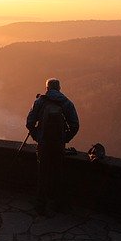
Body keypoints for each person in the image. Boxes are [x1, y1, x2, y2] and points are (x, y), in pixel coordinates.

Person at [26, 78, 79, 214]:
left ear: (47, 89)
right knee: (58, 173)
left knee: (42, 173)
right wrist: (64, 139)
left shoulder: (39, 102)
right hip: (58, 145)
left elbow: (30, 122)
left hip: (44, 144)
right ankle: (57, 204)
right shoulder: (66, 103)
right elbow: (75, 125)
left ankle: (40, 205)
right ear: (59, 88)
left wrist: (37, 137)